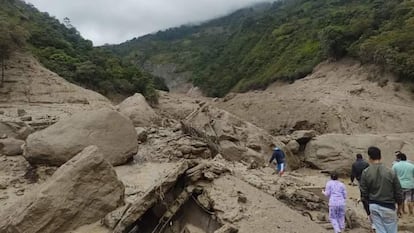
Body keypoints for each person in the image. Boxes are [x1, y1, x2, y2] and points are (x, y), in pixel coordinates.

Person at [360, 146, 403, 233]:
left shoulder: (365, 172)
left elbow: (364, 193)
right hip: (388, 206)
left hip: (374, 206)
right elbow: (398, 192)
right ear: (380, 156)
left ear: (369, 157)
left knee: (380, 230)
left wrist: (368, 208)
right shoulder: (390, 172)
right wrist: (399, 207)